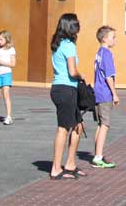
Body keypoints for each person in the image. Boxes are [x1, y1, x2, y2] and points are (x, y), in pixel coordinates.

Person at [48, 13, 85, 180]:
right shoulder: (69, 45)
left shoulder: (58, 44)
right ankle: (56, 168)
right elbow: (72, 71)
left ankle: (70, 164)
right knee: (63, 128)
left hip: (60, 88)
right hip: (66, 89)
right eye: (76, 24)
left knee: (78, 126)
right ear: (70, 26)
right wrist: (81, 75)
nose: (78, 27)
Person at [91, 26, 119, 168]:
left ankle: (98, 153)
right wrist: (114, 93)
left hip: (97, 92)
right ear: (104, 39)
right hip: (105, 93)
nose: (115, 40)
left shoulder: (99, 53)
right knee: (105, 125)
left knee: (100, 124)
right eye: (113, 37)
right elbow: (109, 76)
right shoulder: (107, 54)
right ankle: (98, 157)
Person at [0, 30, 16, 125]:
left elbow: (13, 64)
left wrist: (0, 61)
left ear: (6, 39)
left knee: (6, 94)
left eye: (1, 39)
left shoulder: (11, 50)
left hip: (6, 74)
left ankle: (8, 116)